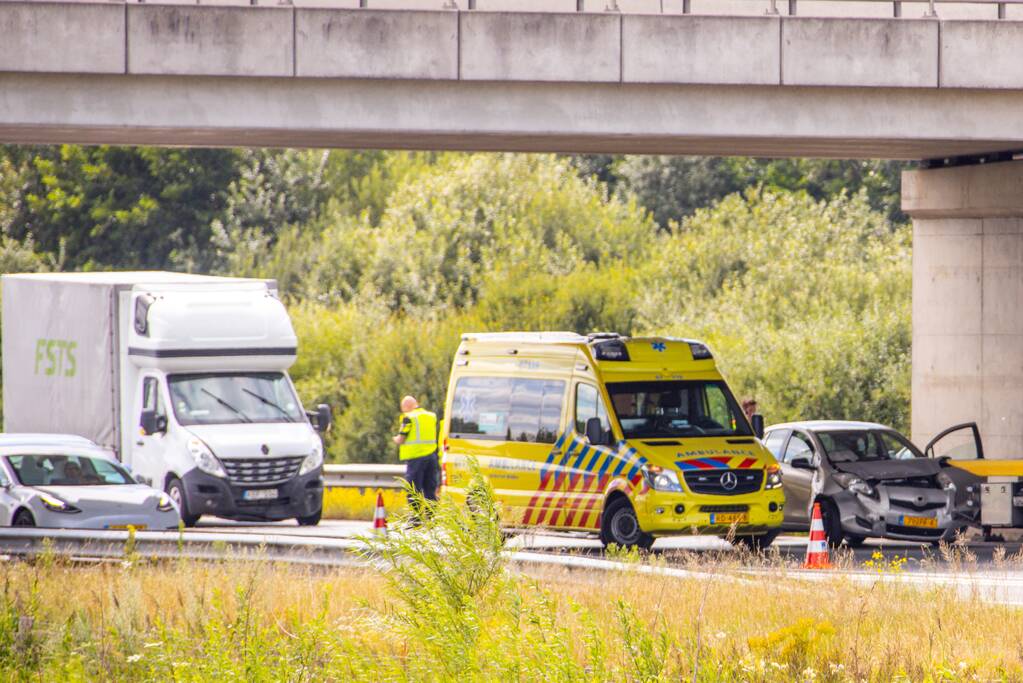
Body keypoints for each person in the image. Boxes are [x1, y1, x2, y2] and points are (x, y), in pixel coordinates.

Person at [393, 395, 439, 519]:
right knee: (430, 490)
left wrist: (395, 439)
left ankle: (416, 518)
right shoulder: (431, 416)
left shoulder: (408, 418)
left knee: (413, 490)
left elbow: (401, 438)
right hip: (431, 457)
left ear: (405, 407)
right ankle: (432, 518)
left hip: (416, 459)